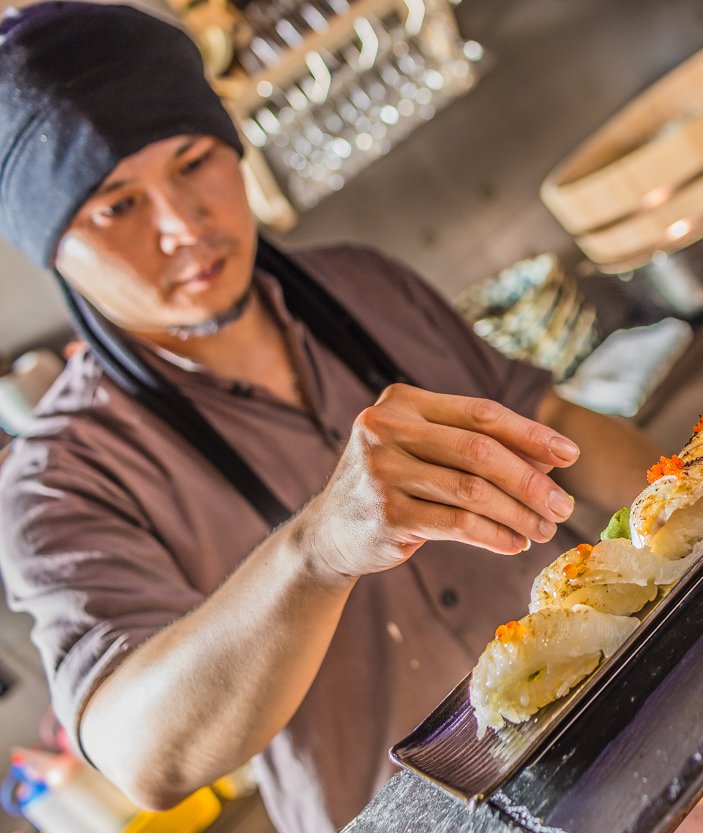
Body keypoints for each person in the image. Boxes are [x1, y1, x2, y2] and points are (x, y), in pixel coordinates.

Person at [0, 3, 659, 832]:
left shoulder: (361, 282)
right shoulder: (57, 481)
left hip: (635, 728)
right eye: (116, 205)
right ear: (52, 246)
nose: (184, 225)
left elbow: (551, 418)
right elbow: (144, 759)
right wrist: (316, 549)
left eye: (196, 161)